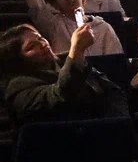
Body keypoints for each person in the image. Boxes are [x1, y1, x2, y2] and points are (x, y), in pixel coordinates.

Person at [0, 22, 129, 124]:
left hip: (105, 130)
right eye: (31, 46)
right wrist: (77, 50)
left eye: (40, 38)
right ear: (17, 60)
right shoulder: (17, 87)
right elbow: (60, 95)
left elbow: (112, 90)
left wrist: (118, 121)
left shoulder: (66, 60)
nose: (42, 44)